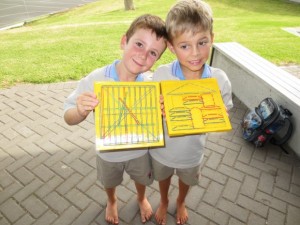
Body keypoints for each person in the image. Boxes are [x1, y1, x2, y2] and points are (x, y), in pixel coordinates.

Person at [64, 14, 167, 225]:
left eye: (153, 53)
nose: (143, 55)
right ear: (124, 41)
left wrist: (163, 113)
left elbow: (157, 124)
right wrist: (80, 111)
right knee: (109, 181)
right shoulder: (96, 79)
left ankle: (141, 197)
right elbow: (68, 116)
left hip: (140, 152)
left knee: (141, 179)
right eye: (139, 44)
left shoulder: (151, 85)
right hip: (108, 154)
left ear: (157, 59)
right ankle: (112, 200)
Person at [149, 1, 233, 224]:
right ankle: (165, 200)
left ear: (212, 39)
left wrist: (220, 114)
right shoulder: (161, 75)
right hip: (162, 150)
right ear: (171, 46)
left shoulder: (219, 80)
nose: (195, 53)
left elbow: (226, 113)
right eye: (185, 46)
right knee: (163, 177)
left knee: (186, 179)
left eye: (202, 42)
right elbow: (150, 116)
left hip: (193, 152)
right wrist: (156, 110)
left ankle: (181, 201)